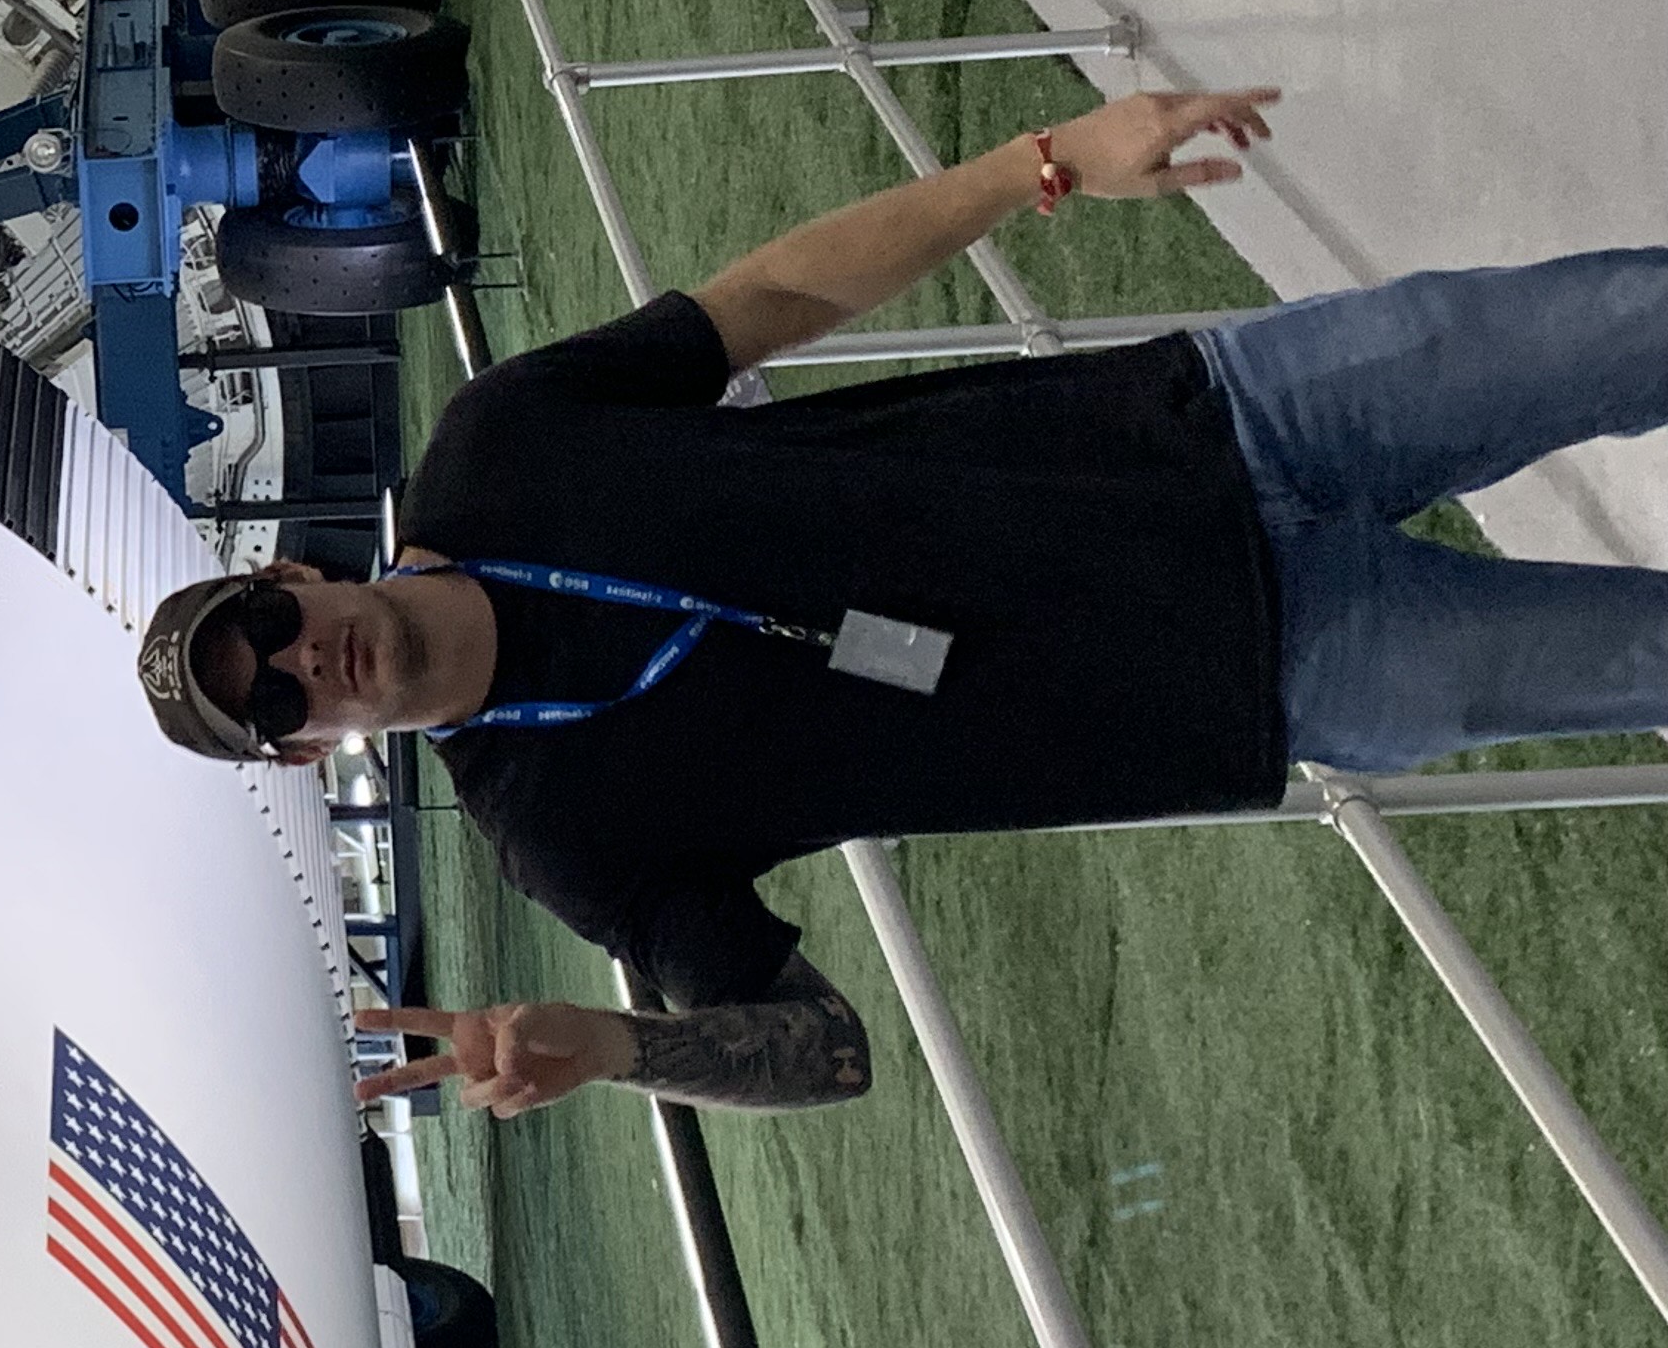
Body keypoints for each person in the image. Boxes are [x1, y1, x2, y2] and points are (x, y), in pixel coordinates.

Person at [137, 87, 1668, 1115]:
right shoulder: (566, 831)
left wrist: (1039, 162)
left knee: (1627, 320)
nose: (297, 663)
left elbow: (773, 299)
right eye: (274, 701)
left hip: (1223, 418)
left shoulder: (500, 446)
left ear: (285, 572)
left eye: (259, 628)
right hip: (1268, 672)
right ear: (302, 752)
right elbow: (828, 1050)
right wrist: (618, 1048)